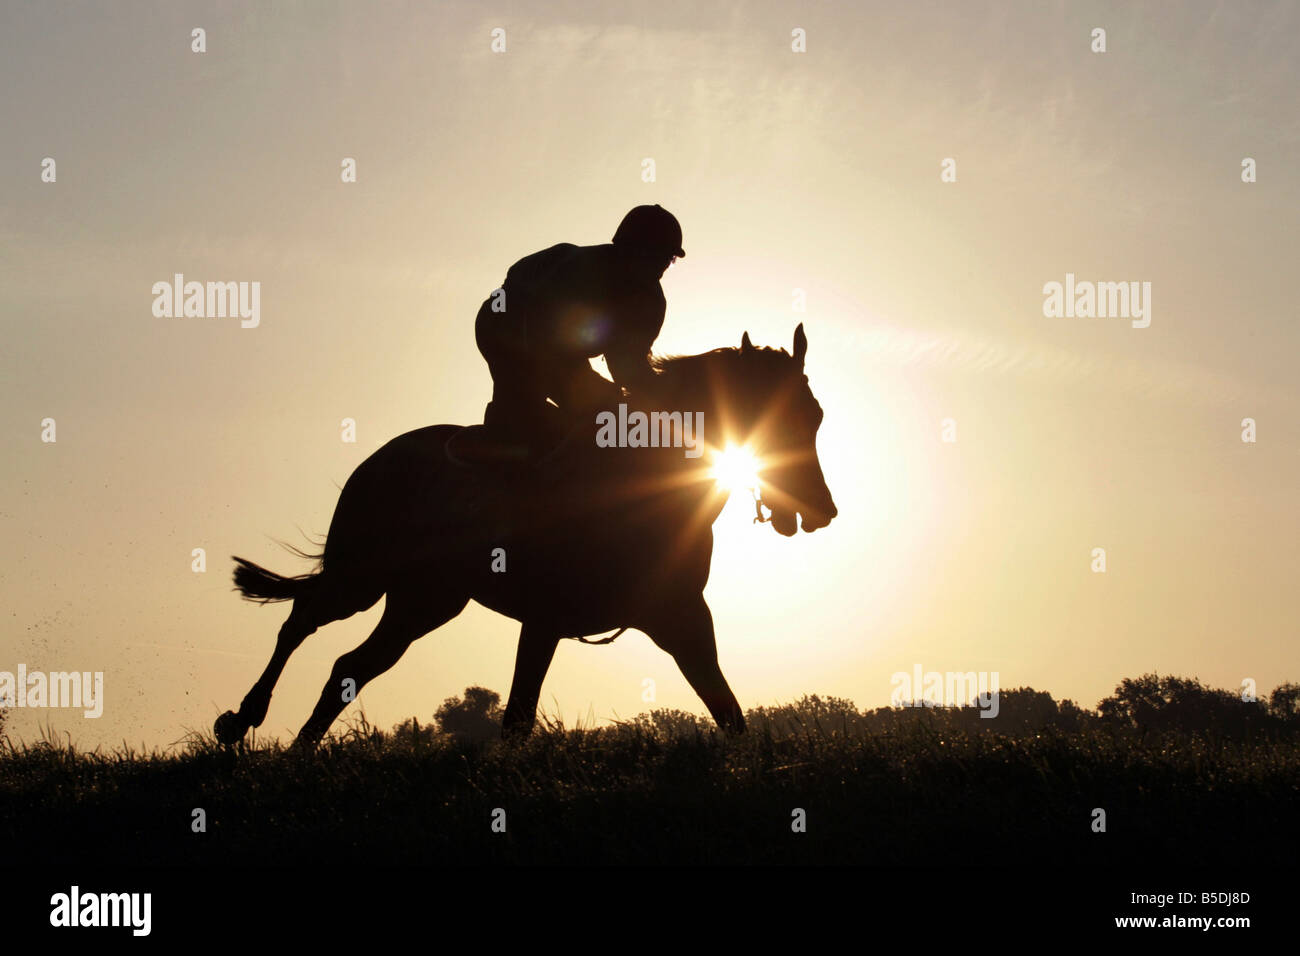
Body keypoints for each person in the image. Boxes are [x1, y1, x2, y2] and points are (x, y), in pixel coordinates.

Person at [473, 205, 684, 456]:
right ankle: (500, 445)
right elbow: (541, 347)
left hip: (562, 351)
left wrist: (666, 399)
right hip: (506, 326)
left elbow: (627, 366)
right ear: (632, 249)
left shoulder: (651, 302)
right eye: (658, 256)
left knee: (610, 410)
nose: (661, 267)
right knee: (526, 413)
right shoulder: (579, 271)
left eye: (669, 260)